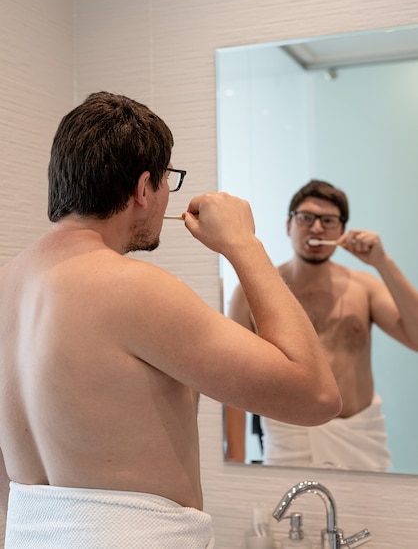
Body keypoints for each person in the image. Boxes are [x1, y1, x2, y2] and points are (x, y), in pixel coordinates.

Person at [0, 94, 341, 549]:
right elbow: (315, 395)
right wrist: (243, 244)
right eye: (168, 182)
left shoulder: (7, 286)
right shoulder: (133, 288)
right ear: (144, 187)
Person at [227, 179, 418, 471]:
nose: (316, 228)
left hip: (359, 440)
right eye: (306, 218)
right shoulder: (252, 290)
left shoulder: (365, 287)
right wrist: (236, 462)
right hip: (288, 443)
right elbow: (234, 380)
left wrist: (382, 262)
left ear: (341, 231)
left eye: (328, 221)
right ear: (288, 226)